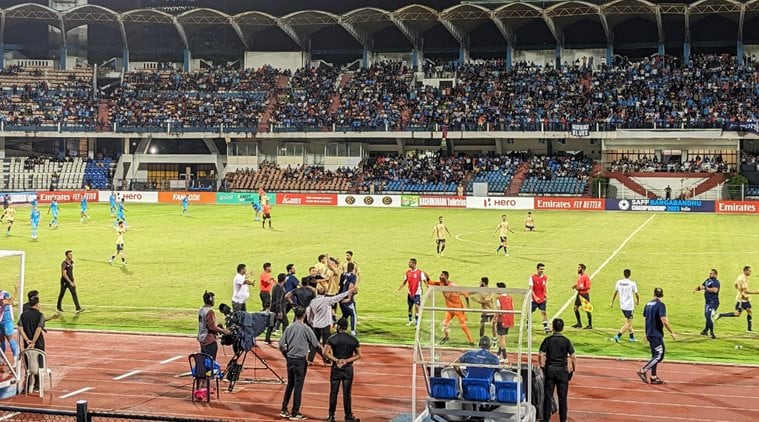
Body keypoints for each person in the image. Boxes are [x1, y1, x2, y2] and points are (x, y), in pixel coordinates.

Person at [279, 306, 321, 421]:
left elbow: (281, 344)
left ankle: (284, 408)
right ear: (305, 316)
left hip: (290, 359)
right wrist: (324, 357)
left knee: (290, 384)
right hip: (300, 360)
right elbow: (316, 344)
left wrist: (286, 356)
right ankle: (295, 412)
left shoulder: (289, 328)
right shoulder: (306, 329)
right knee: (298, 387)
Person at [324, 318, 361, 422]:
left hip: (336, 368)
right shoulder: (353, 339)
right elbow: (359, 355)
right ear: (347, 327)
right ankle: (348, 415)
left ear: (338, 326)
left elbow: (325, 353)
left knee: (333, 392)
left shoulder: (332, 338)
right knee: (347, 393)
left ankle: (331, 415)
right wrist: (346, 361)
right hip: (348, 369)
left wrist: (337, 360)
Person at [539, 318, 576, 422]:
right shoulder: (566, 340)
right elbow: (573, 356)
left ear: (553, 328)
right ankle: (563, 420)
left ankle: (546, 419)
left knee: (548, 396)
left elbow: (541, 354)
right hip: (562, 371)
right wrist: (573, 369)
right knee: (562, 398)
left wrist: (542, 366)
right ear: (562, 328)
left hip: (550, 370)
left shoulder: (548, 340)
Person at [18, 295, 58, 391]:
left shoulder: (23, 315)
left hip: (27, 343)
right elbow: (38, 329)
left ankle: (27, 386)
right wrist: (34, 342)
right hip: (39, 344)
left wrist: (28, 340)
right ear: (37, 304)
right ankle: (37, 386)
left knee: (28, 365)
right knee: (39, 364)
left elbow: (20, 328)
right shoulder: (40, 315)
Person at [637, 288, 676, 385]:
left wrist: (646, 333)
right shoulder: (661, 305)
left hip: (650, 333)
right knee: (659, 356)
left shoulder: (648, 304)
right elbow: (664, 320)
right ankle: (643, 370)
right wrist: (672, 332)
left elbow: (646, 319)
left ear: (654, 294)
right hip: (656, 334)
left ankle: (653, 377)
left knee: (655, 356)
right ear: (662, 295)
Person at [307, 286, 354, 365]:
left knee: (315, 343)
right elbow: (338, 298)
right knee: (326, 344)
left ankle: (309, 360)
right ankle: (327, 361)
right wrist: (348, 292)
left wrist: (311, 322)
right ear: (325, 293)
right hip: (325, 325)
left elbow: (310, 315)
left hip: (315, 325)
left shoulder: (312, 301)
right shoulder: (326, 300)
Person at [428, 271, 474, 345]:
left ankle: (471, 341)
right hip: (449, 309)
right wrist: (426, 277)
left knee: (463, 325)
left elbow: (465, 293)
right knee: (445, 324)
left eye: (441, 275)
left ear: (446, 276)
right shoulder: (441, 284)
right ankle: (446, 337)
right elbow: (430, 282)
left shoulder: (453, 286)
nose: (439, 276)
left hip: (458, 309)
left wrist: (467, 304)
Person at [716, 266, 757, 332]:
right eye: (749, 271)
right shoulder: (743, 279)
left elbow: (735, 284)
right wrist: (757, 292)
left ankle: (749, 329)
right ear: (745, 271)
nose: (750, 272)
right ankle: (721, 314)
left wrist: (740, 291)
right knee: (737, 314)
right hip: (741, 299)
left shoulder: (740, 276)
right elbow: (746, 291)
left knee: (749, 311)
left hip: (745, 298)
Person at [197, 291, 230, 361]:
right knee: (210, 361)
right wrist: (224, 331)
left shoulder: (201, 310)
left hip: (202, 338)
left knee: (205, 360)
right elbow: (212, 327)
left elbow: (207, 324)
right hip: (209, 339)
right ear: (210, 300)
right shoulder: (210, 311)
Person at [396, 258, 428, 326]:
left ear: (414, 264)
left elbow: (425, 281)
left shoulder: (420, 272)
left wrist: (429, 289)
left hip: (417, 293)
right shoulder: (407, 272)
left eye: (410, 262)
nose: (409, 264)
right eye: (409, 262)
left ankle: (417, 322)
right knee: (410, 307)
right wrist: (398, 289)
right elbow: (404, 282)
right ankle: (410, 320)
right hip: (410, 293)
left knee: (417, 307)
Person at [610, 269, 640, 343]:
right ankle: (618, 335)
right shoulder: (632, 283)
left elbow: (615, 292)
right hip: (629, 306)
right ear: (630, 275)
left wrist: (612, 302)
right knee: (629, 323)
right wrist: (638, 301)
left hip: (622, 305)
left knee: (628, 321)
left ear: (623, 274)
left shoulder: (619, 282)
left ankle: (631, 337)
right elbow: (636, 294)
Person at [694, 268, 720, 339]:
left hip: (713, 302)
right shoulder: (707, 280)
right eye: (709, 273)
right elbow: (702, 286)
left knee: (709, 316)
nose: (709, 274)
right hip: (708, 302)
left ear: (715, 274)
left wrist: (705, 288)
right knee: (707, 316)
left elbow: (715, 290)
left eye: (711, 273)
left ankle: (711, 333)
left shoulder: (716, 282)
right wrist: (696, 289)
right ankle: (706, 330)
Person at [265, 273, 289, 344]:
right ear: (283, 279)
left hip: (273, 308)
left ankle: (267, 339)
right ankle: (284, 340)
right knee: (285, 323)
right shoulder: (279, 288)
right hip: (279, 309)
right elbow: (278, 301)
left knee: (272, 324)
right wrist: (280, 311)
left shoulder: (276, 286)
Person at [494, 282, 513, 363]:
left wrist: (493, 319)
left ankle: (505, 357)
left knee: (501, 339)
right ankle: (498, 355)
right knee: (502, 338)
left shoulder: (499, 298)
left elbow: (498, 310)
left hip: (501, 320)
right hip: (508, 319)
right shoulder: (510, 297)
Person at [529, 263, 550, 333]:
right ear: (537, 269)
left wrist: (545, 296)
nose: (542, 270)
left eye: (543, 269)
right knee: (530, 312)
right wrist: (535, 297)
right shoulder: (532, 277)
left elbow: (545, 288)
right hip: (533, 299)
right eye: (541, 269)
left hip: (541, 298)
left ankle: (546, 327)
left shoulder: (545, 278)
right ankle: (527, 323)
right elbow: (531, 289)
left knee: (543, 312)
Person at [338, 263, 358, 335]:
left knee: (345, 314)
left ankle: (338, 327)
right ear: (353, 268)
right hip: (347, 298)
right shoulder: (353, 276)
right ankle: (353, 331)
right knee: (353, 314)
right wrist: (349, 298)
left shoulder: (343, 274)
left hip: (340, 297)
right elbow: (350, 287)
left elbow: (339, 285)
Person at [0, 290, 19, 364]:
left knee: (9, 338)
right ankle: (2, 358)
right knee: (2, 340)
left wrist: (15, 293)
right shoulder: (3, 297)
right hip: (2, 321)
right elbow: (9, 302)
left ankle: (15, 358)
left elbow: (8, 302)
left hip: (6, 320)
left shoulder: (4, 294)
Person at [572, 263, 592, 329]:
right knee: (575, 308)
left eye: (579, 268)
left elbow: (588, 286)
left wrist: (580, 288)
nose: (578, 269)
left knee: (587, 310)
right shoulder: (580, 276)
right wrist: (575, 286)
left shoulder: (585, 277)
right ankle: (579, 323)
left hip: (584, 294)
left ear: (583, 269)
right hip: (579, 294)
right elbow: (579, 284)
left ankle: (590, 325)